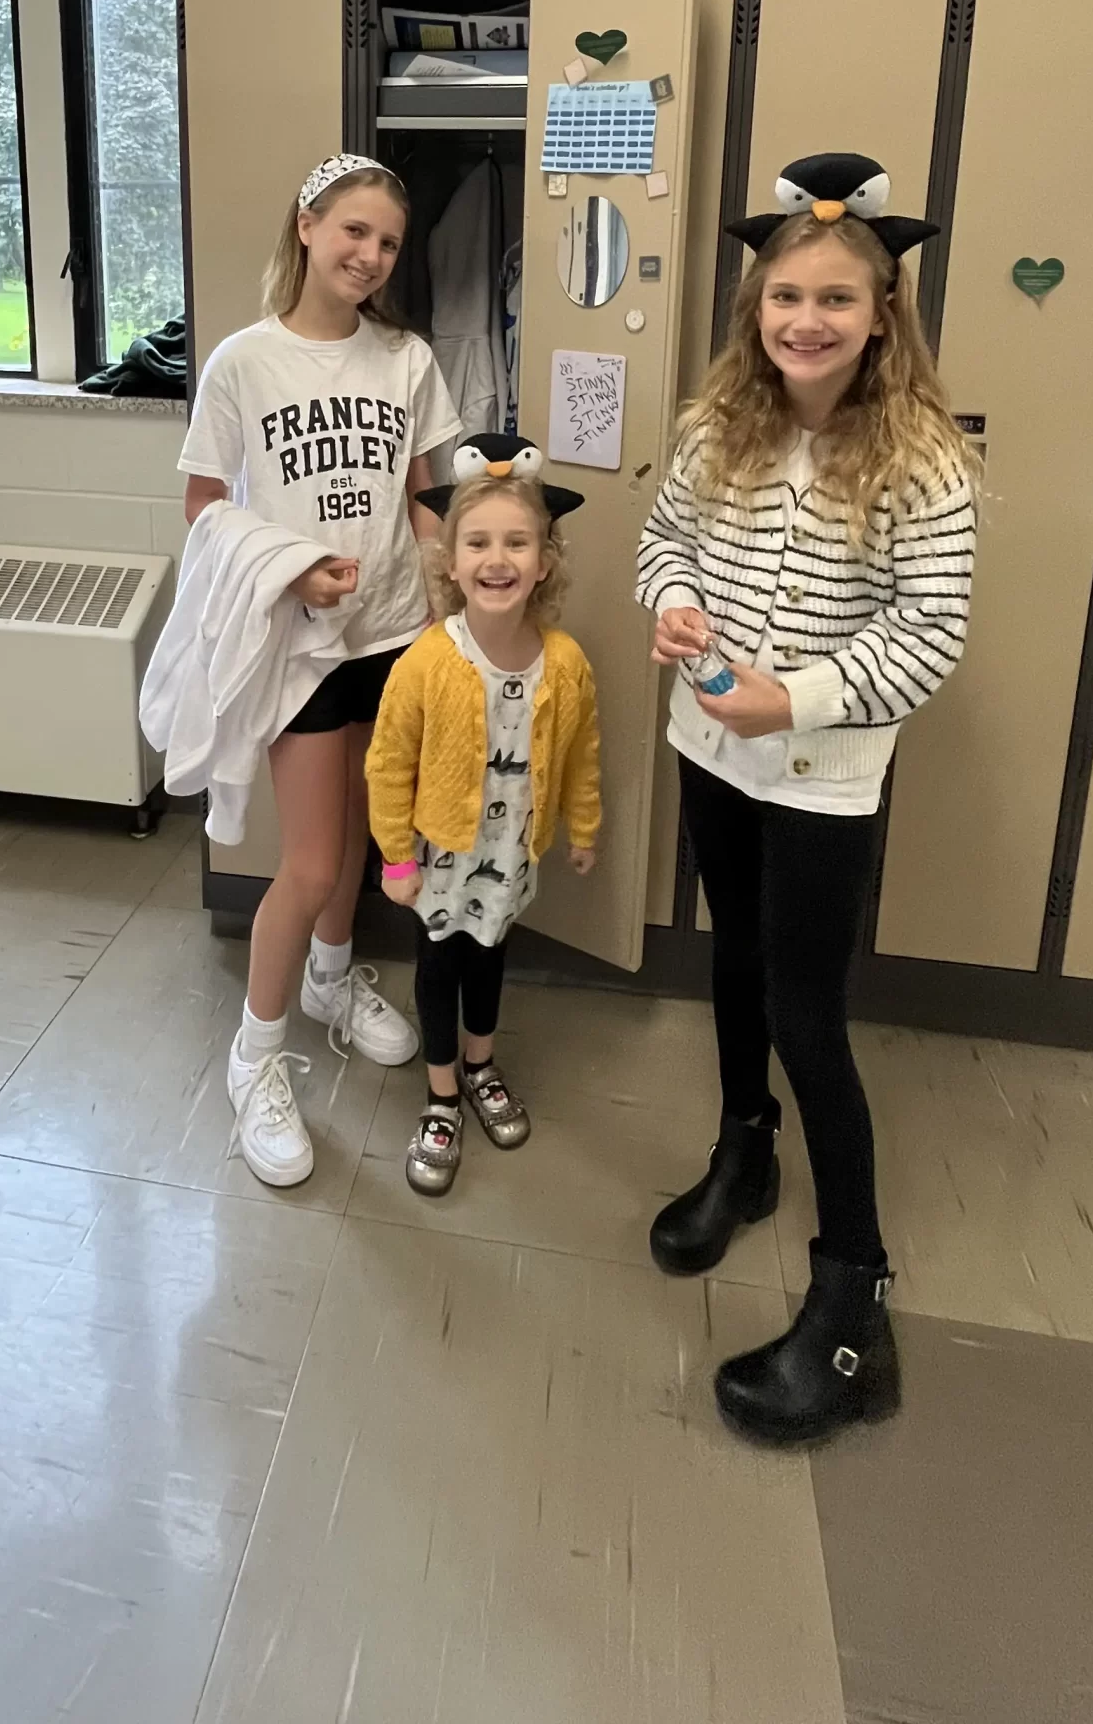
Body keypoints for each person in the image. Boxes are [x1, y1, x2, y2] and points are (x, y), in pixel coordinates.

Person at [636, 152, 977, 1446]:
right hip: (712, 748)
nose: (807, 320)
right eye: (787, 297)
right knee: (734, 959)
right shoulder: (716, 424)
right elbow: (664, 542)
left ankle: (853, 1305)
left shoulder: (924, 460)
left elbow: (929, 635)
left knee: (805, 1011)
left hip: (822, 775)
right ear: (757, 307)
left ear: (883, 314)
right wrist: (674, 603)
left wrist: (797, 699)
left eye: (836, 298)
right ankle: (745, 1153)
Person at [179, 153, 461, 1187]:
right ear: (306, 225)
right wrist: (293, 569)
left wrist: (446, 603)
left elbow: (424, 495)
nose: (371, 255)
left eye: (388, 242)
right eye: (354, 231)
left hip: (390, 633)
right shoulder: (243, 363)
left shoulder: (406, 359)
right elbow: (205, 507)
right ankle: (253, 1057)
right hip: (301, 641)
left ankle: (332, 979)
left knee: (361, 832)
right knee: (306, 862)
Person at [365, 434, 601, 1195]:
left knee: (491, 955)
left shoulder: (564, 662)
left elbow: (582, 752)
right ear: (450, 560)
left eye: (517, 542)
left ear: (545, 560)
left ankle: (480, 1064)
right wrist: (395, 857)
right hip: (439, 857)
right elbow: (388, 765)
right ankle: (441, 1097)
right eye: (478, 543)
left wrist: (584, 828)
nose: (497, 560)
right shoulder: (426, 662)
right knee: (440, 965)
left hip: (510, 852)